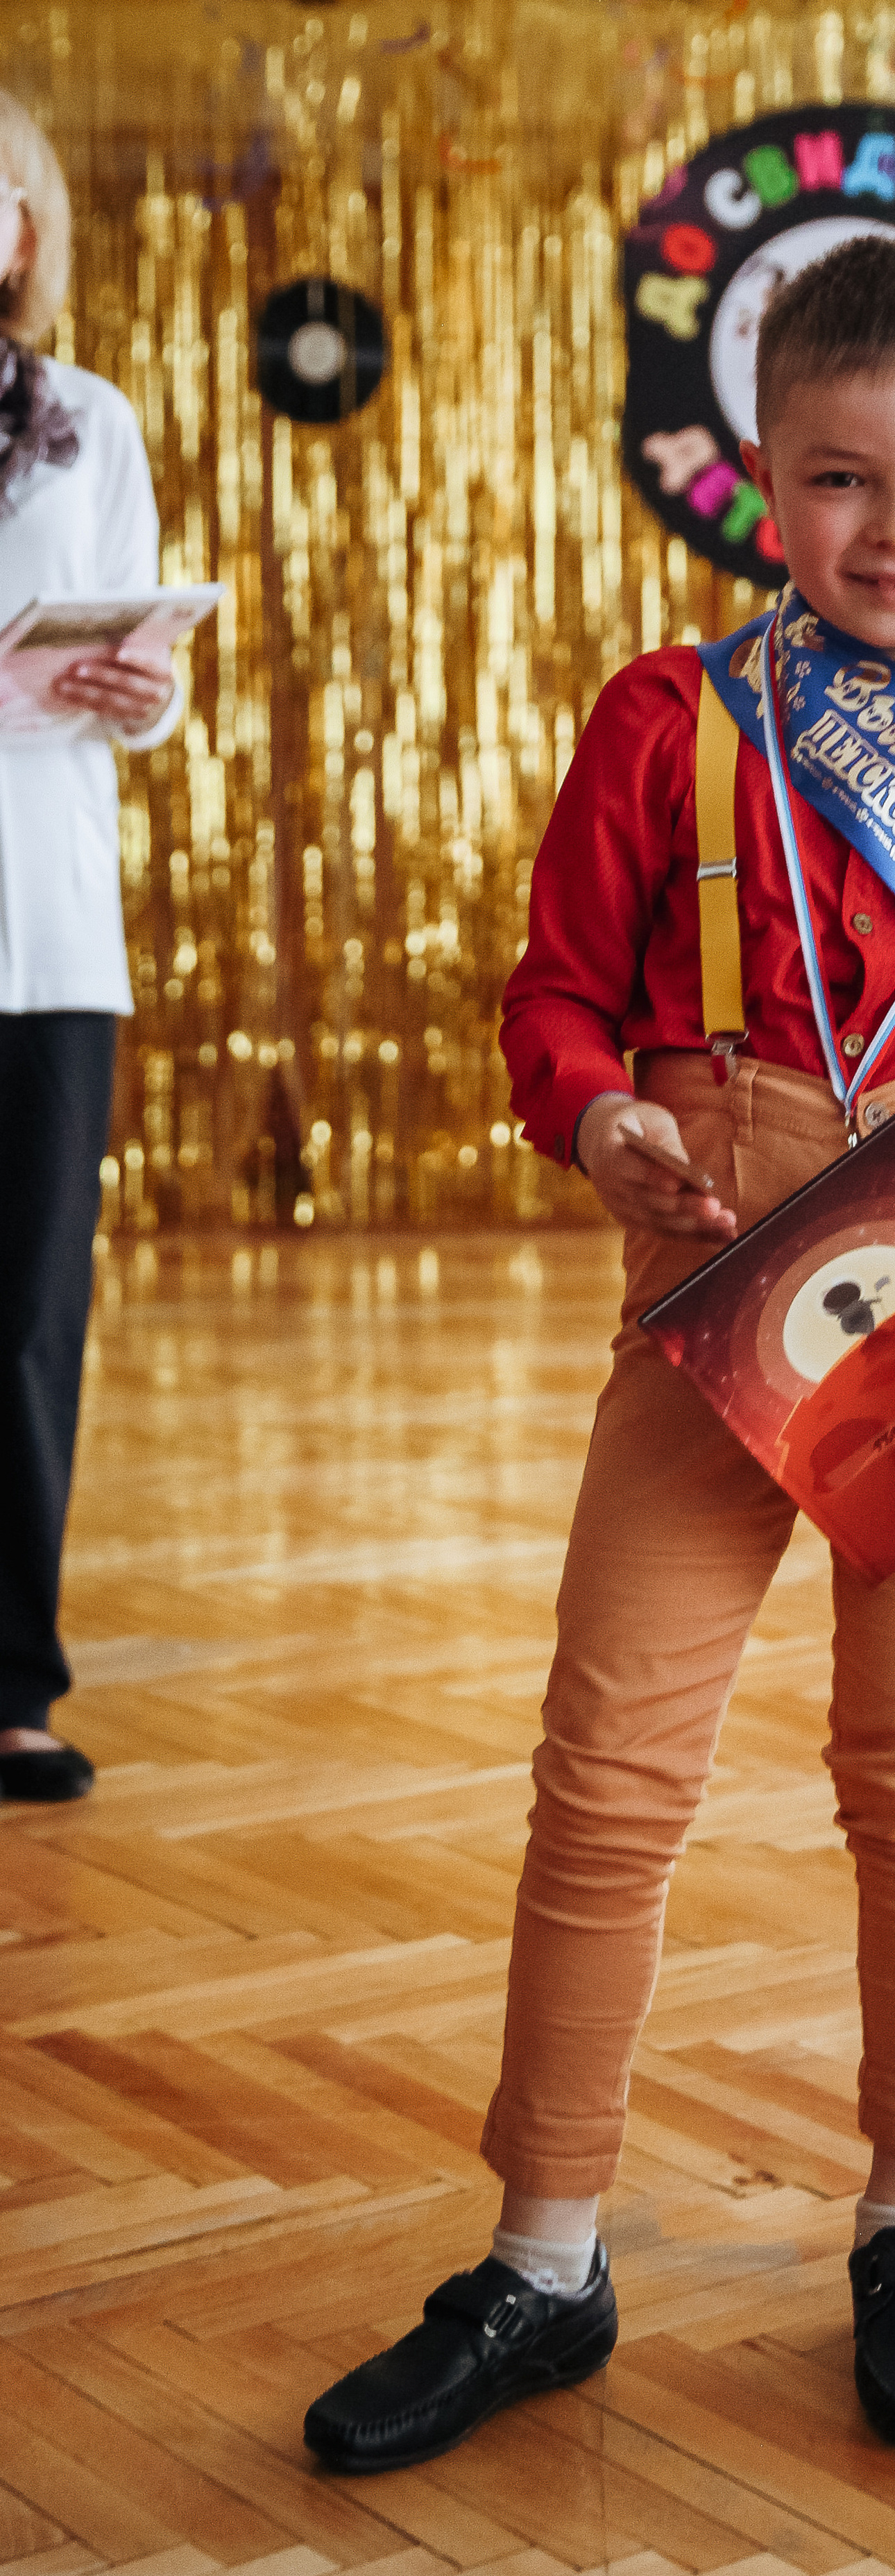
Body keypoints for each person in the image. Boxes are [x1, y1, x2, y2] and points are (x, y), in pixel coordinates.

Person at [305, 231, 895, 2469]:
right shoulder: (669, 723)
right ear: (762, 485)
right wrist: (594, 1113)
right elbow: (554, 996)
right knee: (607, 1771)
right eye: (842, 479)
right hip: (716, 1292)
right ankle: (544, 2261)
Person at [0, 92, 181, 1806]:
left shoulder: (91, 420)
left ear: (28, 226)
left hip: (48, 935)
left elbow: (143, 655)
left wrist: (141, 690)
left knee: (28, 1319)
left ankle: (12, 1690)